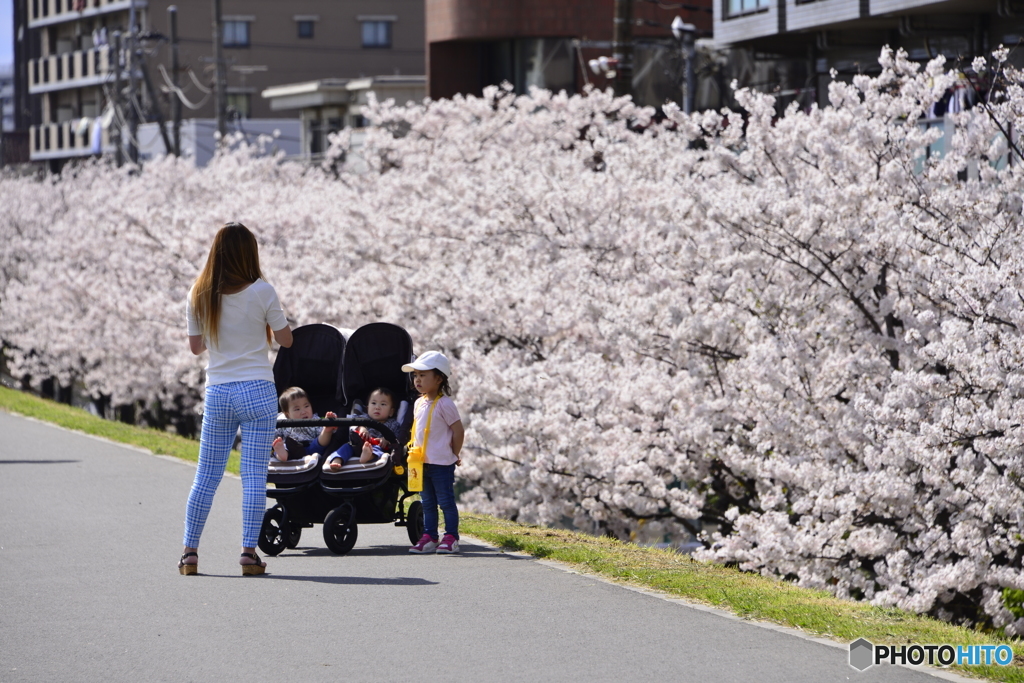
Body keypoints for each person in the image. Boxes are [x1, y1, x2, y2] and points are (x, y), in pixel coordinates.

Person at [178, 222, 293, 577]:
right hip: (257, 389)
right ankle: (247, 552)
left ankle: (189, 554)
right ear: (250, 253)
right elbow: (286, 340)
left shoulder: (199, 293)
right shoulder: (262, 291)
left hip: (219, 391)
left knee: (206, 476)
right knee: (254, 475)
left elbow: (196, 347)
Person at [403, 351, 464, 554]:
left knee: (445, 500)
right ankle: (429, 536)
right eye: (415, 375)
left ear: (438, 379)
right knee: (427, 501)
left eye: (423, 375)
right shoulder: (419, 403)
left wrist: (454, 454)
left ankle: (451, 536)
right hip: (420, 461)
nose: (417, 380)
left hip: (441, 463)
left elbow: (458, 430)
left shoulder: (445, 404)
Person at [326, 387, 402, 471]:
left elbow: (397, 438)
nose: (377, 407)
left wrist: (387, 439)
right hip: (358, 443)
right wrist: (361, 428)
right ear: (367, 408)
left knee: (379, 451)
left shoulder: (393, 423)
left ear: (391, 412)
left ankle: (368, 456)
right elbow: (352, 425)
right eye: (373, 403)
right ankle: (337, 460)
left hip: (376, 445)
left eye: (383, 404)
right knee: (346, 446)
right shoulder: (362, 418)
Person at [272, 386, 337, 461]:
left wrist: (326, 430)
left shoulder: (314, 419)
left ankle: (327, 429)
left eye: (306, 406)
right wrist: (277, 442)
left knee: (320, 442)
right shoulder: (282, 421)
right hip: (292, 449)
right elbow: (274, 435)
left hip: (311, 447)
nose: (303, 412)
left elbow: (322, 439)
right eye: (297, 409)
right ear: (287, 414)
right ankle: (282, 455)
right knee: (281, 445)